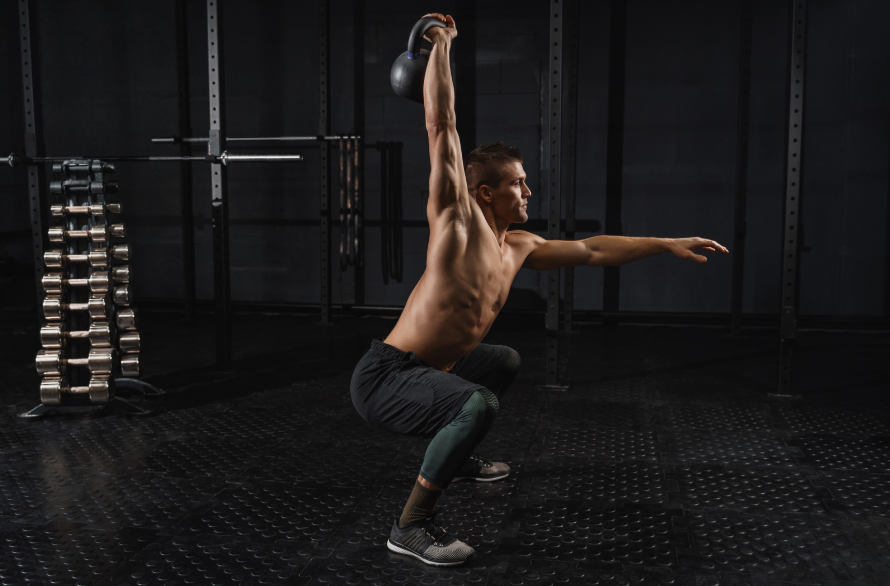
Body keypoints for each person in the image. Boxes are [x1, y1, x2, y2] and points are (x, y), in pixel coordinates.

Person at [350, 13, 729, 566]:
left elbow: (594, 249)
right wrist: (441, 45)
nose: (529, 189)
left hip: (423, 372)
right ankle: (410, 526)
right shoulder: (457, 224)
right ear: (483, 192)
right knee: (477, 403)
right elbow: (441, 127)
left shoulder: (519, 245)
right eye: (518, 183)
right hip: (386, 377)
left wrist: (667, 241)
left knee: (501, 361)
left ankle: (455, 453)